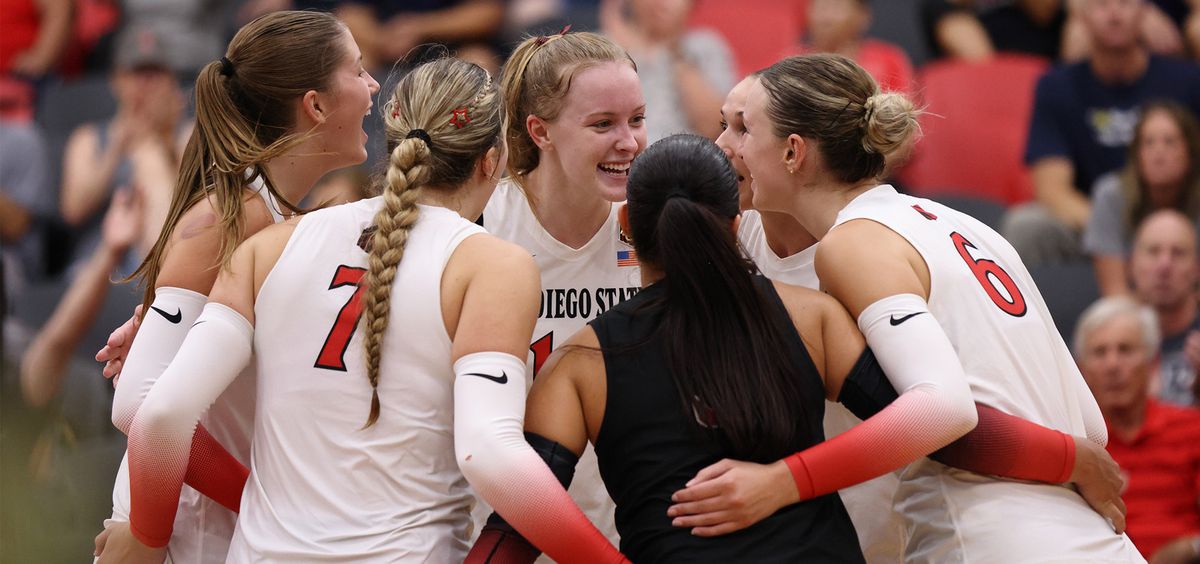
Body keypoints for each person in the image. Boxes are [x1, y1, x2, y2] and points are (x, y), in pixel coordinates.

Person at [467, 134, 1128, 563]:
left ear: (627, 227)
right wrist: (1075, 458)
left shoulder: (581, 366)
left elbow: (517, 527)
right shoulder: (812, 320)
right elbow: (947, 431)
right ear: (736, 222)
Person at [95, 56, 625, 564]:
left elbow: (157, 413)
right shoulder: (491, 263)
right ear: (491, 161)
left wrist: (147, 536)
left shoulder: (269, 246)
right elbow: (489, 454)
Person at [725, 53, 1142, 561]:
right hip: (1096, 539)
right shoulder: (968, 226)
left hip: (985, 539)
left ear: (793, 152)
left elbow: (944, 408)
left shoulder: (851, 243)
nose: (729, 147)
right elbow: (1090, 427)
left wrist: (783, 482)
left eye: (744, 130)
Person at [94, 11, 381, 563]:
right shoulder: (233, 218)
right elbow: (136, 406)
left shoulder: (277, 216)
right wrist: (257, 502)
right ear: (316, 105)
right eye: (359, 70)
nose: (372, 87)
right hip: (189, 534)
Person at [476, 29, 646, 553]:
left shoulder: (656, 222)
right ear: (540, 131)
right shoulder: (482, 221)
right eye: (603, 124)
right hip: (497, 529)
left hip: (625, 529)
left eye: (637, 119)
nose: (630, 142)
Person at [1004, 0, 1200, 267]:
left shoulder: (1188, 80)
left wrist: (1163, 233)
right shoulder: (1056, 86)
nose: (1114, 14)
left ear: (1145, 10)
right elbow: (1051, 190)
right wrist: (1118, 233)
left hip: (1182, 219)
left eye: (1124, 3)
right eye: (1101, 4)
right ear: (1081, 16)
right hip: (1092, 219)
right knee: (1027, 225)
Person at [1074, 296, 1200, 562]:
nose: (1112, 365)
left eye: (1125, 350)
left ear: (1152, 363)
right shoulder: (1074, 442)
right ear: (1082, 370)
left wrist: (1190, 549)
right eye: (1099, 352)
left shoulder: (1192, 428)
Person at [1087, 101, 1200, 296]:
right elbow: (1115, 293)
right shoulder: (1111, 196)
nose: (1158, 152)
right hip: (1133, 313)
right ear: (1136, 155)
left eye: (1170, 142)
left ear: (1190, 152)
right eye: (1148, 143)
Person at [600, 0, 735, 140]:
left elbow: (717, 127)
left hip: (684, 156)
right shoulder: (601, 49)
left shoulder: (706, 46)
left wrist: (676, 53)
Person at [1128, 209, 1200, 406]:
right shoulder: (1105, 343)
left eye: (1178, 253)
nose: (1164, 265)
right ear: (1132, 265)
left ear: (1196, 269)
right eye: (1153, 251)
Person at [783, 0, 915, 96]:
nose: (825, 18)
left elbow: (902, 122)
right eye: (819, 7)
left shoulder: (889, 60)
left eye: (836, 7)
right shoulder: (788, 63)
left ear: (863, 16)